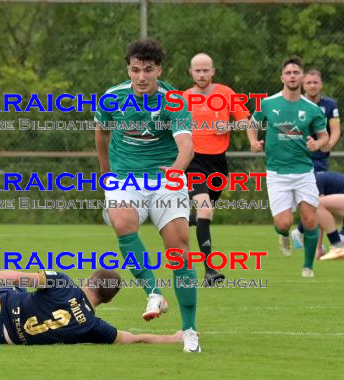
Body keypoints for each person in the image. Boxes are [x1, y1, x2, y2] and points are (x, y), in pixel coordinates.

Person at [94, 39, 201, 352]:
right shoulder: (113, 98)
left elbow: (187, 148)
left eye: (148, 70)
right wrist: (106, 171)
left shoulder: (174, 101)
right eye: (135, 70)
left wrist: (174, 172)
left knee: (179, 251)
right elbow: (102, 132)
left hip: (166, 178)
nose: (141, 76)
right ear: (129, 69)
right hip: (125, 178)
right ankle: (153, 292)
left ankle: (190, 329)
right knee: (122, 222)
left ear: (159, 70)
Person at [0, 267, 185, 346]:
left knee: (11, 289)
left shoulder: (63, 282)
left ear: (89, 280)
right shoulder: (92, 326)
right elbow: (134, 339)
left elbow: (18, 277)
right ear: (108, 299)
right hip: (7, 338)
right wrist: (174, 337)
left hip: (5, 305)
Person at [247, 56, 329, 278]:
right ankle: (283, 235)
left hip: (303, 172)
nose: (292, 76)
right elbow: (252, 125)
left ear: (302, 77)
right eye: (288, 72)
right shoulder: (268, 103)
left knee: (310, 220)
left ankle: (308, 267)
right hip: (277, 173)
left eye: (296, 72)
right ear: (282, 77)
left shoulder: (312, 109)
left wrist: (317, 143)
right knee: (283, 223)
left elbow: (324, 136)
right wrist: (253, 142)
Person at [183, 53, 250, 285]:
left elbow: (246, 121)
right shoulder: (182, 99)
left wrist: (228, 126)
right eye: (197, 70)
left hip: (218, 163)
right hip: (193, 162)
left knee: (204, 214)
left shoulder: (225, 93)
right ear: (190, 72)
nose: (201, 74)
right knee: (205, 212)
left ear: (213, 72)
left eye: (205, 70)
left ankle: (178, 219)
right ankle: (210, 270)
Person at [292, 69, 341, 248]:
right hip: (302, 159)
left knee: (316, 200)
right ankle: (320, 244)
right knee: (317, 198)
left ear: (321, 84)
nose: (312, 86)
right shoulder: (296, 103)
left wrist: (329, 143)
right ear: (303, 85)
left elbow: (335, 130)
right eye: (308, 83)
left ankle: (301, 232)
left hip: (321, 158)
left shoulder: (329, 105)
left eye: (315, 82)